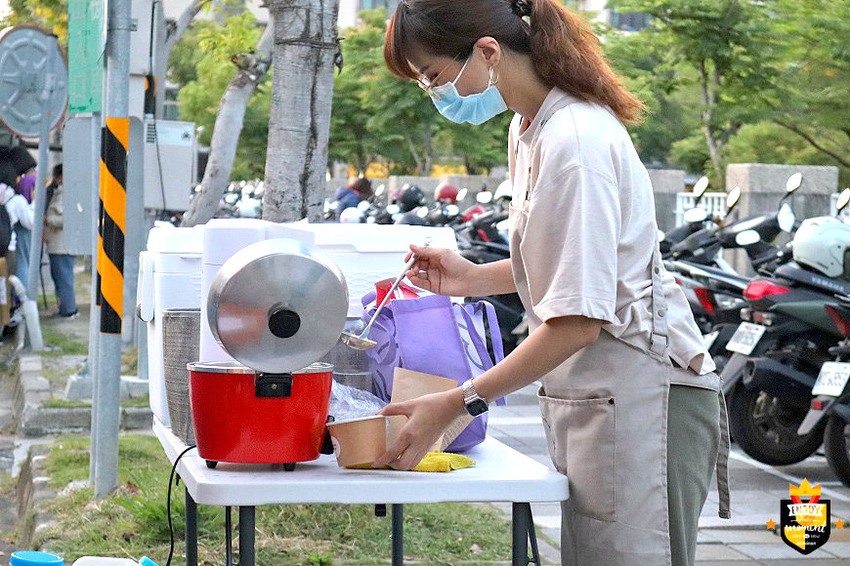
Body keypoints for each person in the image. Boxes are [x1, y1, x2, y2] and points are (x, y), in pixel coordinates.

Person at [373, 2, 730, 565]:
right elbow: (575, 266)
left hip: (643, 393)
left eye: (434, 78)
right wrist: (470, 279)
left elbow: (578, 323)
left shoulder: (576, 141)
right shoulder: (529, 128)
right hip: (601, 396)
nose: (434, 95)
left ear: (487, 52)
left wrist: (460, 402)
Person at [43, 164, 77, 318]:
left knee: (64, 279)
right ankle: (64, 307)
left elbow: (66, 219)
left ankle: (68, 310)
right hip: (57, 244)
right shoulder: (59, 193)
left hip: (62, 245)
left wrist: (48, 219)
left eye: (57, 176)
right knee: (60, 278)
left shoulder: (67, 194)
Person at [0, 163, 34, 284]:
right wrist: (34, 201)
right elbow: (31, 222)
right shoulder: (16, 199)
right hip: (8, 245)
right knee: (8, 280)